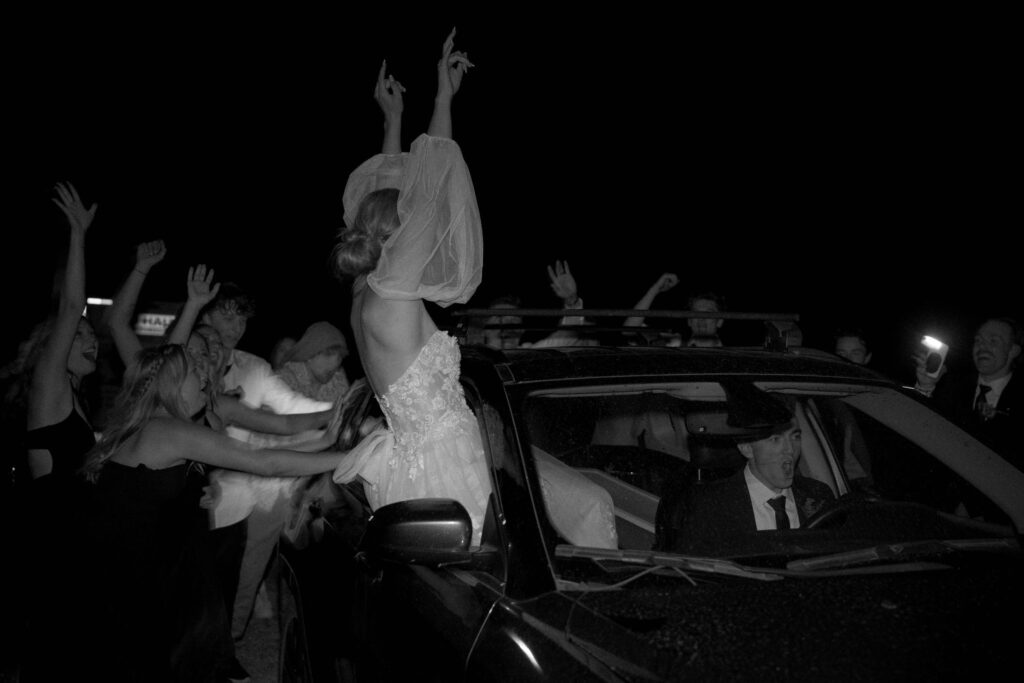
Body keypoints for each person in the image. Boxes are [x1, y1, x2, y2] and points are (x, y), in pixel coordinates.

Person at [79, 344, 348, 682]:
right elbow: (263, 461)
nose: (204, 379)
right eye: (195, 372)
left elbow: (268, 450)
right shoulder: (166, 429)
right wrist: (350, 460)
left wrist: (331, 440)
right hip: (139, 578)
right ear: (172, 385)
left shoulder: (156, 426)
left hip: (146, 568)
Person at [330, 30, 493, 546]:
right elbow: (430, 188)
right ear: (396, 239)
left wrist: (393, 121)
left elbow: (390, 191)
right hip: (448, 469)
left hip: (409, 464)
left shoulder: (362, 292)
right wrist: (443, 98)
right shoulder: (394, 289)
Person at [9, 182, 100, 682]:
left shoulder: (75, 400)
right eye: (82, 337)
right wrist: (78, 235)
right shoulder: (48, 391)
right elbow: (70, 308)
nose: (91, 341)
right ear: (54, 348)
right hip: (50, 555)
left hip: (71, 553)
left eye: (92, 336)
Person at [657, 410, 835, 554]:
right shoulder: (710, 505)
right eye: (775, 439)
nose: (790, 449)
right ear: (746, 448)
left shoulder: (818, 494)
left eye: (795, 437)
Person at [913, 316, 1022, 471]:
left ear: (1013, 350)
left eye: (993, 341)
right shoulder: (952, 386)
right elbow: (921, 427)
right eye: (978, 341)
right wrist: (925, 385)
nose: (982, 347)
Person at [276, 320, 352, 403]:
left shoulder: (338, 379)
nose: (335, 364)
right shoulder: (284, 380)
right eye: (328, 354)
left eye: (340, 356)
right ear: (308, 354)